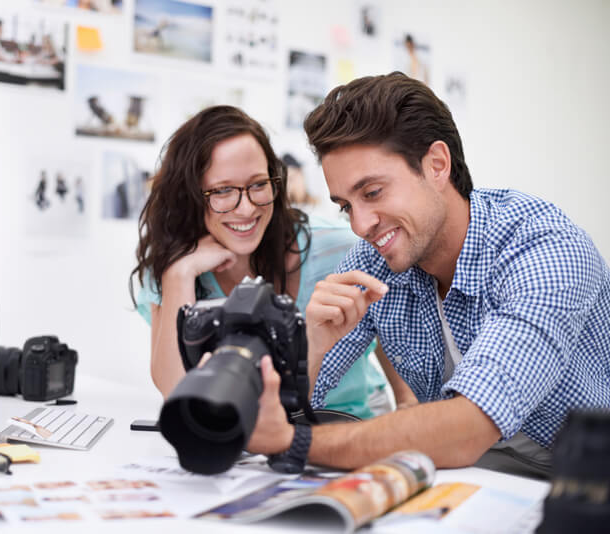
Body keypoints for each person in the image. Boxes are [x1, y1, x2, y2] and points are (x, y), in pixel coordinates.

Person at [246, 72, 610, 478]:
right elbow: (276, 407)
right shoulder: (373, 261)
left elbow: (470, 425)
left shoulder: (545, 247)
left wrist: (294, 442)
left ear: (437, 165)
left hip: (584, 482)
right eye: (346, 206)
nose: (361, 224)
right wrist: (311, 346)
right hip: (470, 479)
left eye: (372, 193)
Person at [130, 105, 391, 420]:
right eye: (223, 190)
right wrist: (180, 274)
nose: (246, 208)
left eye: (257, 184)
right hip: (247, 438)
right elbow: (177, 391)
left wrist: (406, 402)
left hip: (348, 420)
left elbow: (392, 321)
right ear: (190, 196)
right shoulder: (172, 268)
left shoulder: (340, 248)